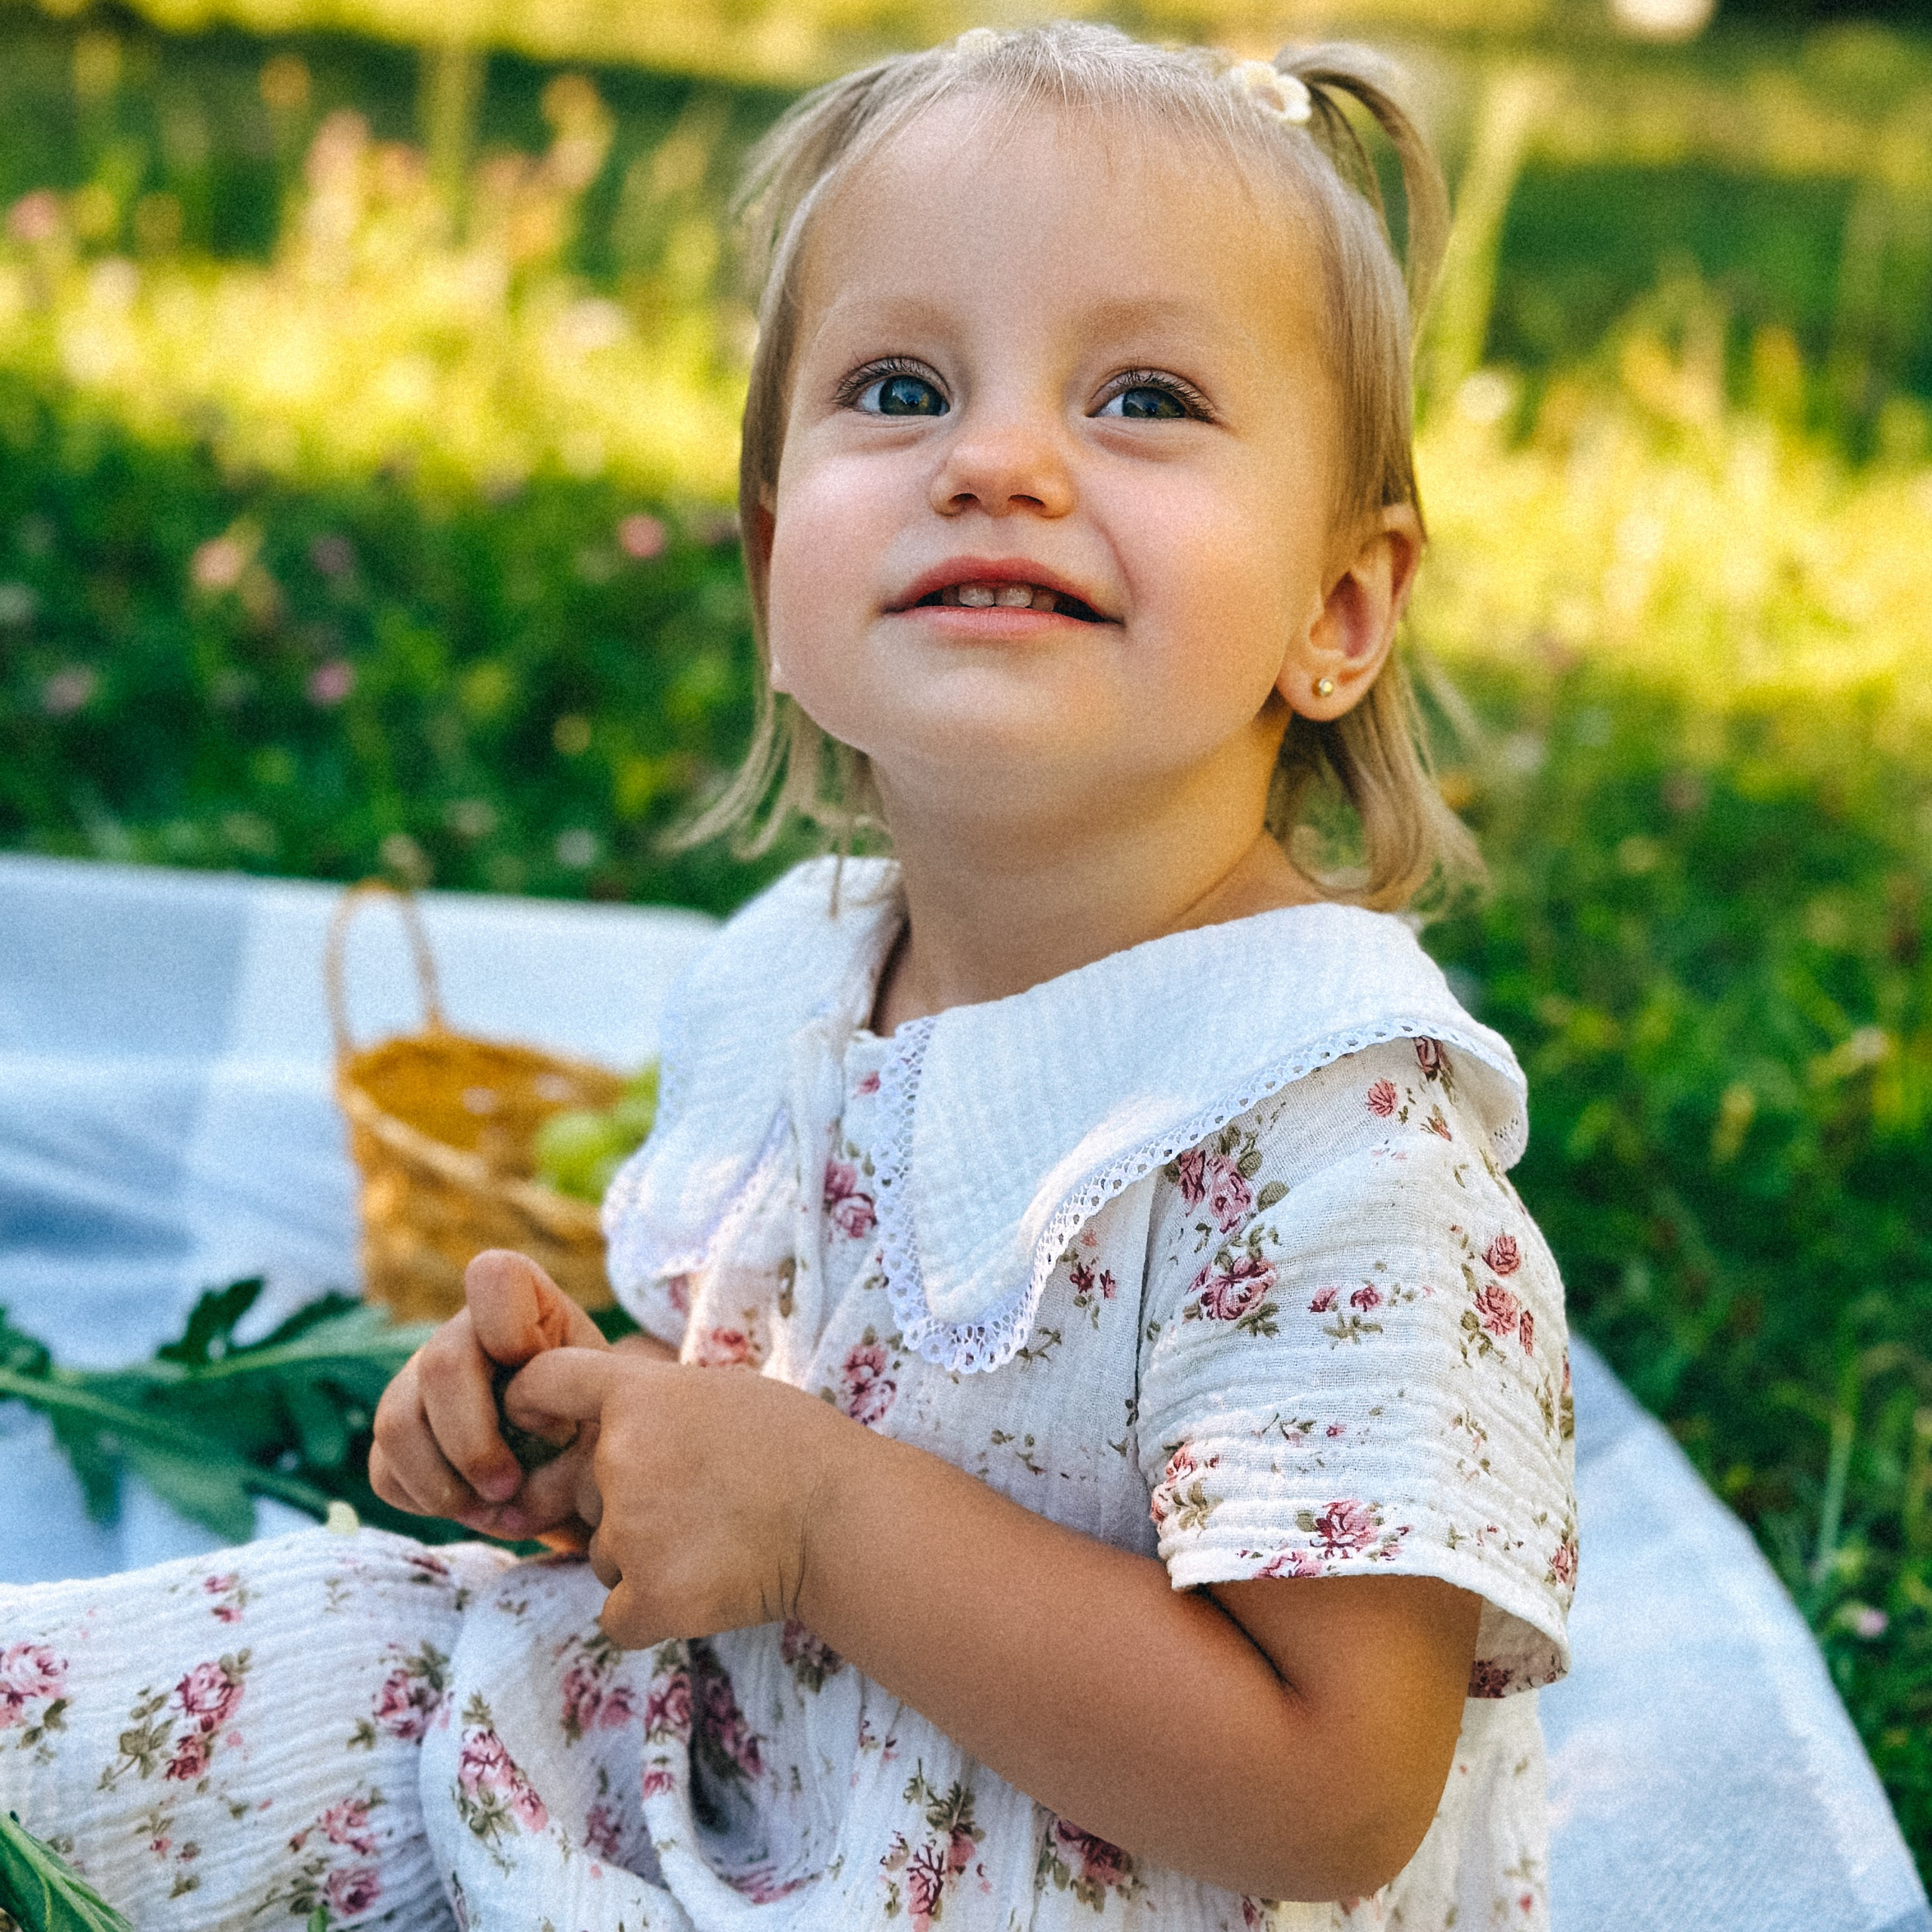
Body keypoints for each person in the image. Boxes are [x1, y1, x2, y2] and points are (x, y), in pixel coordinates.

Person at [0, 23, 1576, 1930]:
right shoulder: (794, 977)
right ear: (772, 573)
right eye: (900, 386)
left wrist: (822, 1524)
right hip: (720, 1771)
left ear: (1338, 607)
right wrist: (601, 1431)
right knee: (214, 1668)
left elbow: (1335, 1793)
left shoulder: (1330, 1135)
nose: (995, 459)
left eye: (1142, 396)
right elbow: (782, 1387)